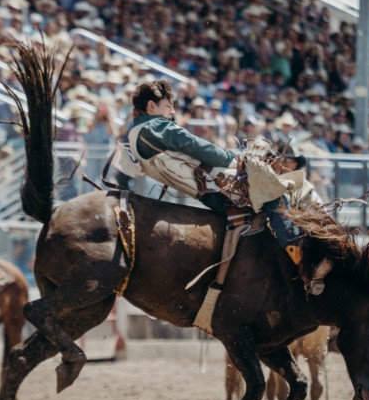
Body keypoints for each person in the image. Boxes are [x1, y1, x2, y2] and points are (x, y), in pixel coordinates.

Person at [121, 79, 307, 262]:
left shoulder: (134, 133)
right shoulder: (156, 126)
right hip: (217, 185)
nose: (173, 111)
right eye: (168, 106)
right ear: (152, 106)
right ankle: (297, 250)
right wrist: (233, 159)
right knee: (273, 192)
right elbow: (196, 145)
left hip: (204, 193)